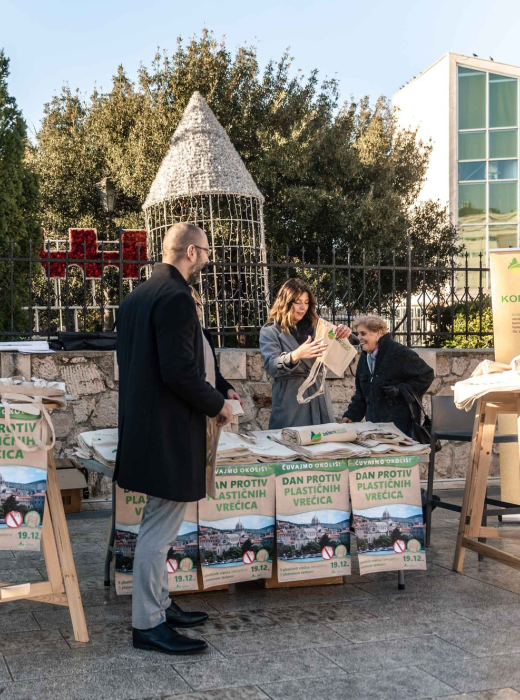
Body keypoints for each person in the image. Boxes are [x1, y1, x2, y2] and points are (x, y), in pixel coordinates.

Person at [116, 223, 233, 655]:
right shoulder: (177, 297)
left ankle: (161, 604)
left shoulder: (138, 295)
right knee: (159, 531)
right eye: (204, 252)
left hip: (146, 430)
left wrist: (216, 387)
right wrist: (217, 404)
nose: (206, 259)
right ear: (187, 252)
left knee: (156, 523)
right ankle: (148, 624)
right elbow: (179, 372)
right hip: (168, 433)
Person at [259, 279, 351, 429]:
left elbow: (342, 356)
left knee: (325, 446)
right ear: (286, 302)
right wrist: (296, 355)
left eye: (306, 302)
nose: (303, 307)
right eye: (298, 302)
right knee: (290, 446)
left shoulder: (318, 326)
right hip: (290, 400)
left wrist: (344, 336)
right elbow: (271, 365)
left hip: (319, 398)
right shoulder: (270, 331)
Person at [341, 314, 434, 438]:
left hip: (400, 426)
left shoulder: (399, 352)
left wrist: (400, 389)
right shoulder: (365, 358)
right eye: (358, 334)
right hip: (374, 426)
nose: (359, 338)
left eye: (363, 334)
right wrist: (351, 415)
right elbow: (362, 395)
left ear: (378, 333)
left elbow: (426, 374)